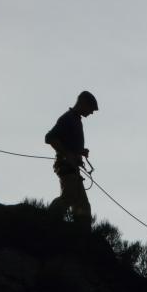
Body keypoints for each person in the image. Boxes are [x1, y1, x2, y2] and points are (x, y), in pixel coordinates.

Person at [45, 91, 98, 222]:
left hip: (73, 168)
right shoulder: (68, 118)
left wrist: (80, 151)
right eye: (91, 109)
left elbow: (68, 143)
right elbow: (50, 138)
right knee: (69, 196)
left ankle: (81, 234)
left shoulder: (76, 120)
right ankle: (47, 221)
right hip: (65, 166)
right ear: (83, 103)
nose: (91, 113)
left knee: (83, 205)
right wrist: (67, 154)